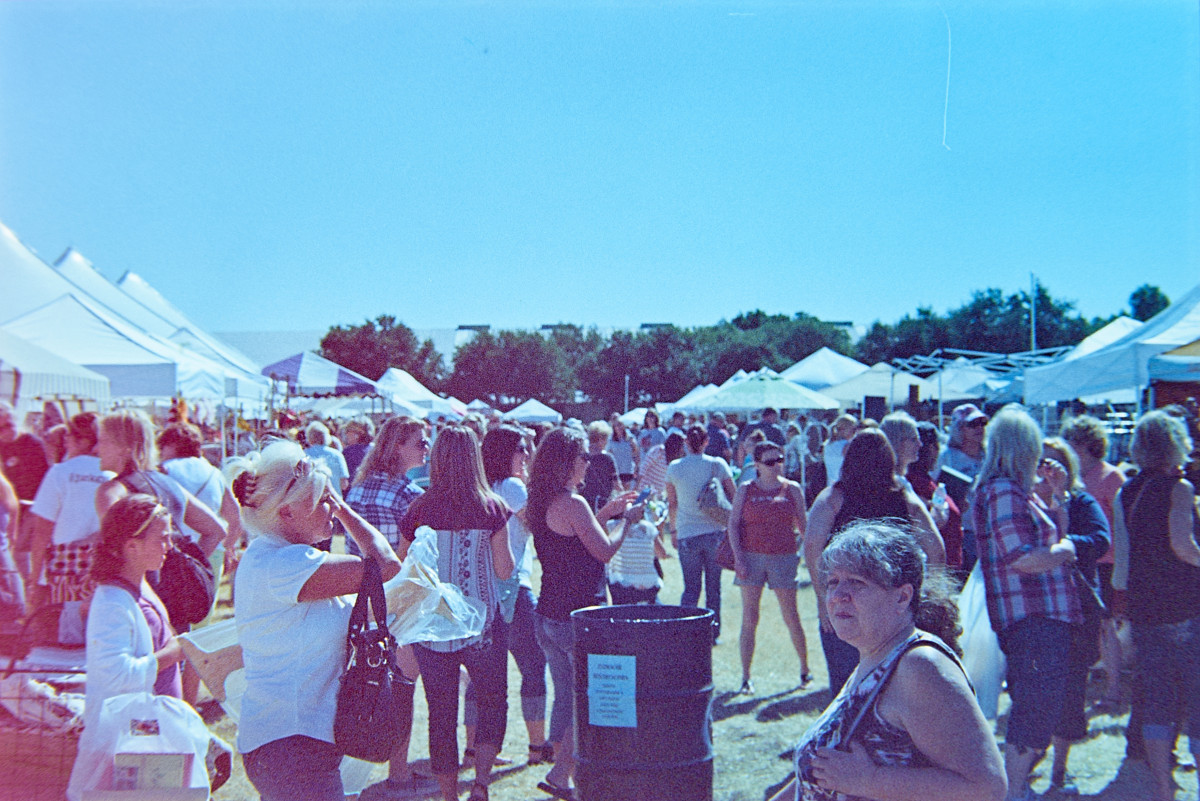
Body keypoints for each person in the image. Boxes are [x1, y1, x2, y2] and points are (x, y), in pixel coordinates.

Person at [779, 520, 1006, 801]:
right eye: (833, 582)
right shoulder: (875, 656)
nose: (837, 596)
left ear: (902, 597)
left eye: (857, 583)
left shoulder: (921, 666)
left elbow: (987, 787)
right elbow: (821, 771)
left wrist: (870, 781)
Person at [228, 440, 401, 801]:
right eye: (323, 500)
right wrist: (347, 512)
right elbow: (385, 565)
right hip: (291, 746)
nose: (331, 508)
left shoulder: (276, 558)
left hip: (291, 743)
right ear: (287, 512)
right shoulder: (285, 564)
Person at [398, 426, 514, 801]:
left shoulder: (418, 509)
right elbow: (504, 570)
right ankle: (480, 783)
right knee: (492, 700)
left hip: (434, 625)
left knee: (440, 712)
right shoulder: (493, 507)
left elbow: (403, 567)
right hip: (482, 622)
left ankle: (449, 795)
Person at [973, 405, 1081, 801]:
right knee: (1034, 707)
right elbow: (1023, 557)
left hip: (1040, 616)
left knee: (1038, 703)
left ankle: (1014, 786)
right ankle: (1012, 790)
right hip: (1031, 617)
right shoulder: (1003, 491)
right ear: (1023, 448)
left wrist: (1058, 498)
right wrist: (1066, 551)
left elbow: (1045, 543)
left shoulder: (1014, 491)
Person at [528, 427, 637, 800]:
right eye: (582, 456)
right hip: (578, 617)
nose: (588, 461)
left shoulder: (540, 501)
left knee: (567, 696)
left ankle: (563, 769)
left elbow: (576, 542)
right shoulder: (573, 503)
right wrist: (627, 522)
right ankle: (562, 774)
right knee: (588, 699)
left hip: (548, 614)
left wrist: (606, 512)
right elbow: (604, 551)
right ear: (566, 463)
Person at [66, 494, 188, 801]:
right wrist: (174, 653)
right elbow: (115, 674)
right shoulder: (110, 602)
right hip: (123, 742)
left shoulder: (141, 586)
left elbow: (165, 633)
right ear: (131, 546)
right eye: (162, 538)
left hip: (148, 737)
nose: (169, 546)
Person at [804, 428, 944, 695]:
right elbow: (937, 550)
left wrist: (823, 598)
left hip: (846, 603)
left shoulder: (833, 498)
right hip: (893, 607)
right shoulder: (904, 497)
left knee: (847, 688)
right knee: (895, 690)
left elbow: (812, 547)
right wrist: (926, 598)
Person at [343, 416, 437, 801]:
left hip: (359, 602)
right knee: (401, 688)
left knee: (356, 686)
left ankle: (354, 765)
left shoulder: (359, 489)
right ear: (397, 446)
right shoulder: (408, 496)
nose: (426, 447)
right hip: (398, 605)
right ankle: (398, 775)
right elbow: (412, 560)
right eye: (419, 441)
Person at [1112, 410, 1200, 801]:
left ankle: (1163, 787)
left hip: (1145, 609)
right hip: (1185, 606)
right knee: (1196, 699)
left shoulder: (1126, 491)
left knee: (1157, 699)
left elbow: (1124, 558)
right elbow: (1184, 547)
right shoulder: (1178, 488)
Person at [93, 411, 227, 632]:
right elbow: (216, 529)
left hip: (138, 604)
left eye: (104, 441)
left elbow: (115, 550)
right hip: (176, 600)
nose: (96, 449)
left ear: (125, 447)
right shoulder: (169, 484)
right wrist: (186, 567)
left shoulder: (112, 492)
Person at [466, 424, 552, 766]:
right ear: (505, 453)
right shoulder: (513, 488)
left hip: (481, 590)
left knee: (480, 673)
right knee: (533, 666)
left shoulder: (479, 487)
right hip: (515, 588)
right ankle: (537, 747)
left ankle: (473, 750)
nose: (527, 454)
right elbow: (538, 525)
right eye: (521, 448)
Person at [1035, 437, 1110, 795]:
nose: (1047, 470)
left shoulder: (1080, 500)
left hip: (1077, 608)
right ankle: (1031, 756)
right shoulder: (1025, 501)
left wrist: (1064, 545)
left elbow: (1100, 540)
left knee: (1070, 690)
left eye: (1055, 463)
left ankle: (1059, 772)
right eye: (1042, 462)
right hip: (1036, 607)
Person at [728, 441, 811, 694]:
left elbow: (804, 526)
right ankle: (745, 676)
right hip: (752, 557)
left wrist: (803, 554)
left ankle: (805, 669)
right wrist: (739, 558)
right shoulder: (746, 489)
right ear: (757, 465)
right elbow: (733, 524)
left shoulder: (792, 489)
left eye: (780, 460)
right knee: (750, 617)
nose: (776, 466)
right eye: (770, 462)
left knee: (791, 615)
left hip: (783, 557)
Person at [1060, 414, 1126, 705]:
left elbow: (1123, 527)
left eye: (1071, 441)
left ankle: (1114, 689)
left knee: (1106, 626)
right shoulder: (1071, 478)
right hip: (1079, 562)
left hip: (1107, 563)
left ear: (1085, 444)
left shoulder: (1111, 477)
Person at [26, 413, 109, 642]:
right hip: (103, 561)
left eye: (69, 436)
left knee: (67, 630)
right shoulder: (111, 473)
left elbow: (41, 531)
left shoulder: (59, 473)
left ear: (84, 440)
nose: (65, 441)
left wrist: (34, 580)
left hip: (64, 564)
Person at [667, 424, 737, 643]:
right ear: (707, 442)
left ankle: (685, 631)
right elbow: (734, 496)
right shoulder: (717, 465)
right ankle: (712, 633)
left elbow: (672, 503)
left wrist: (673, 530)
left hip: (687, 533)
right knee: (713, 588)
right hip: (715, 532)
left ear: (686, 442)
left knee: (691, 588)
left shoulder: (675, 468)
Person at [906, 422, 964, 570]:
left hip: (947, 565)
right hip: (935, 569)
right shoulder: (913, 483)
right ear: (931, 449)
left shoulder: (927, 481)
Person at [581, 420, 621, 511]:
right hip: (602, 503)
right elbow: (617, 484)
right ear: (601, 439)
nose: (607, 442)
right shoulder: (608, 458)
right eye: (606, 439)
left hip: (583, 501)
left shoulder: (583, 456)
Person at [304, 421, 350, 496]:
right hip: (334, 500)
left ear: (309, 437)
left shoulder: (304, 455)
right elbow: (344, 485)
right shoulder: (337, 455)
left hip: (310, 501)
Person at [823, 414, 858, 486]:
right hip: (844, 486)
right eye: (854, 429)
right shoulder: (848, 446)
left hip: (830, 486)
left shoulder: (827, 445)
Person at [606, 415, 639, 487]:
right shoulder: (610, 439)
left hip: (628, 470)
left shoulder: (630, 438)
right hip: (616, 471)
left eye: (620, 425)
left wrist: (636, 468)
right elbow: (608, 454)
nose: (618, 428)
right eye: (616, 426)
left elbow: (636, 454)